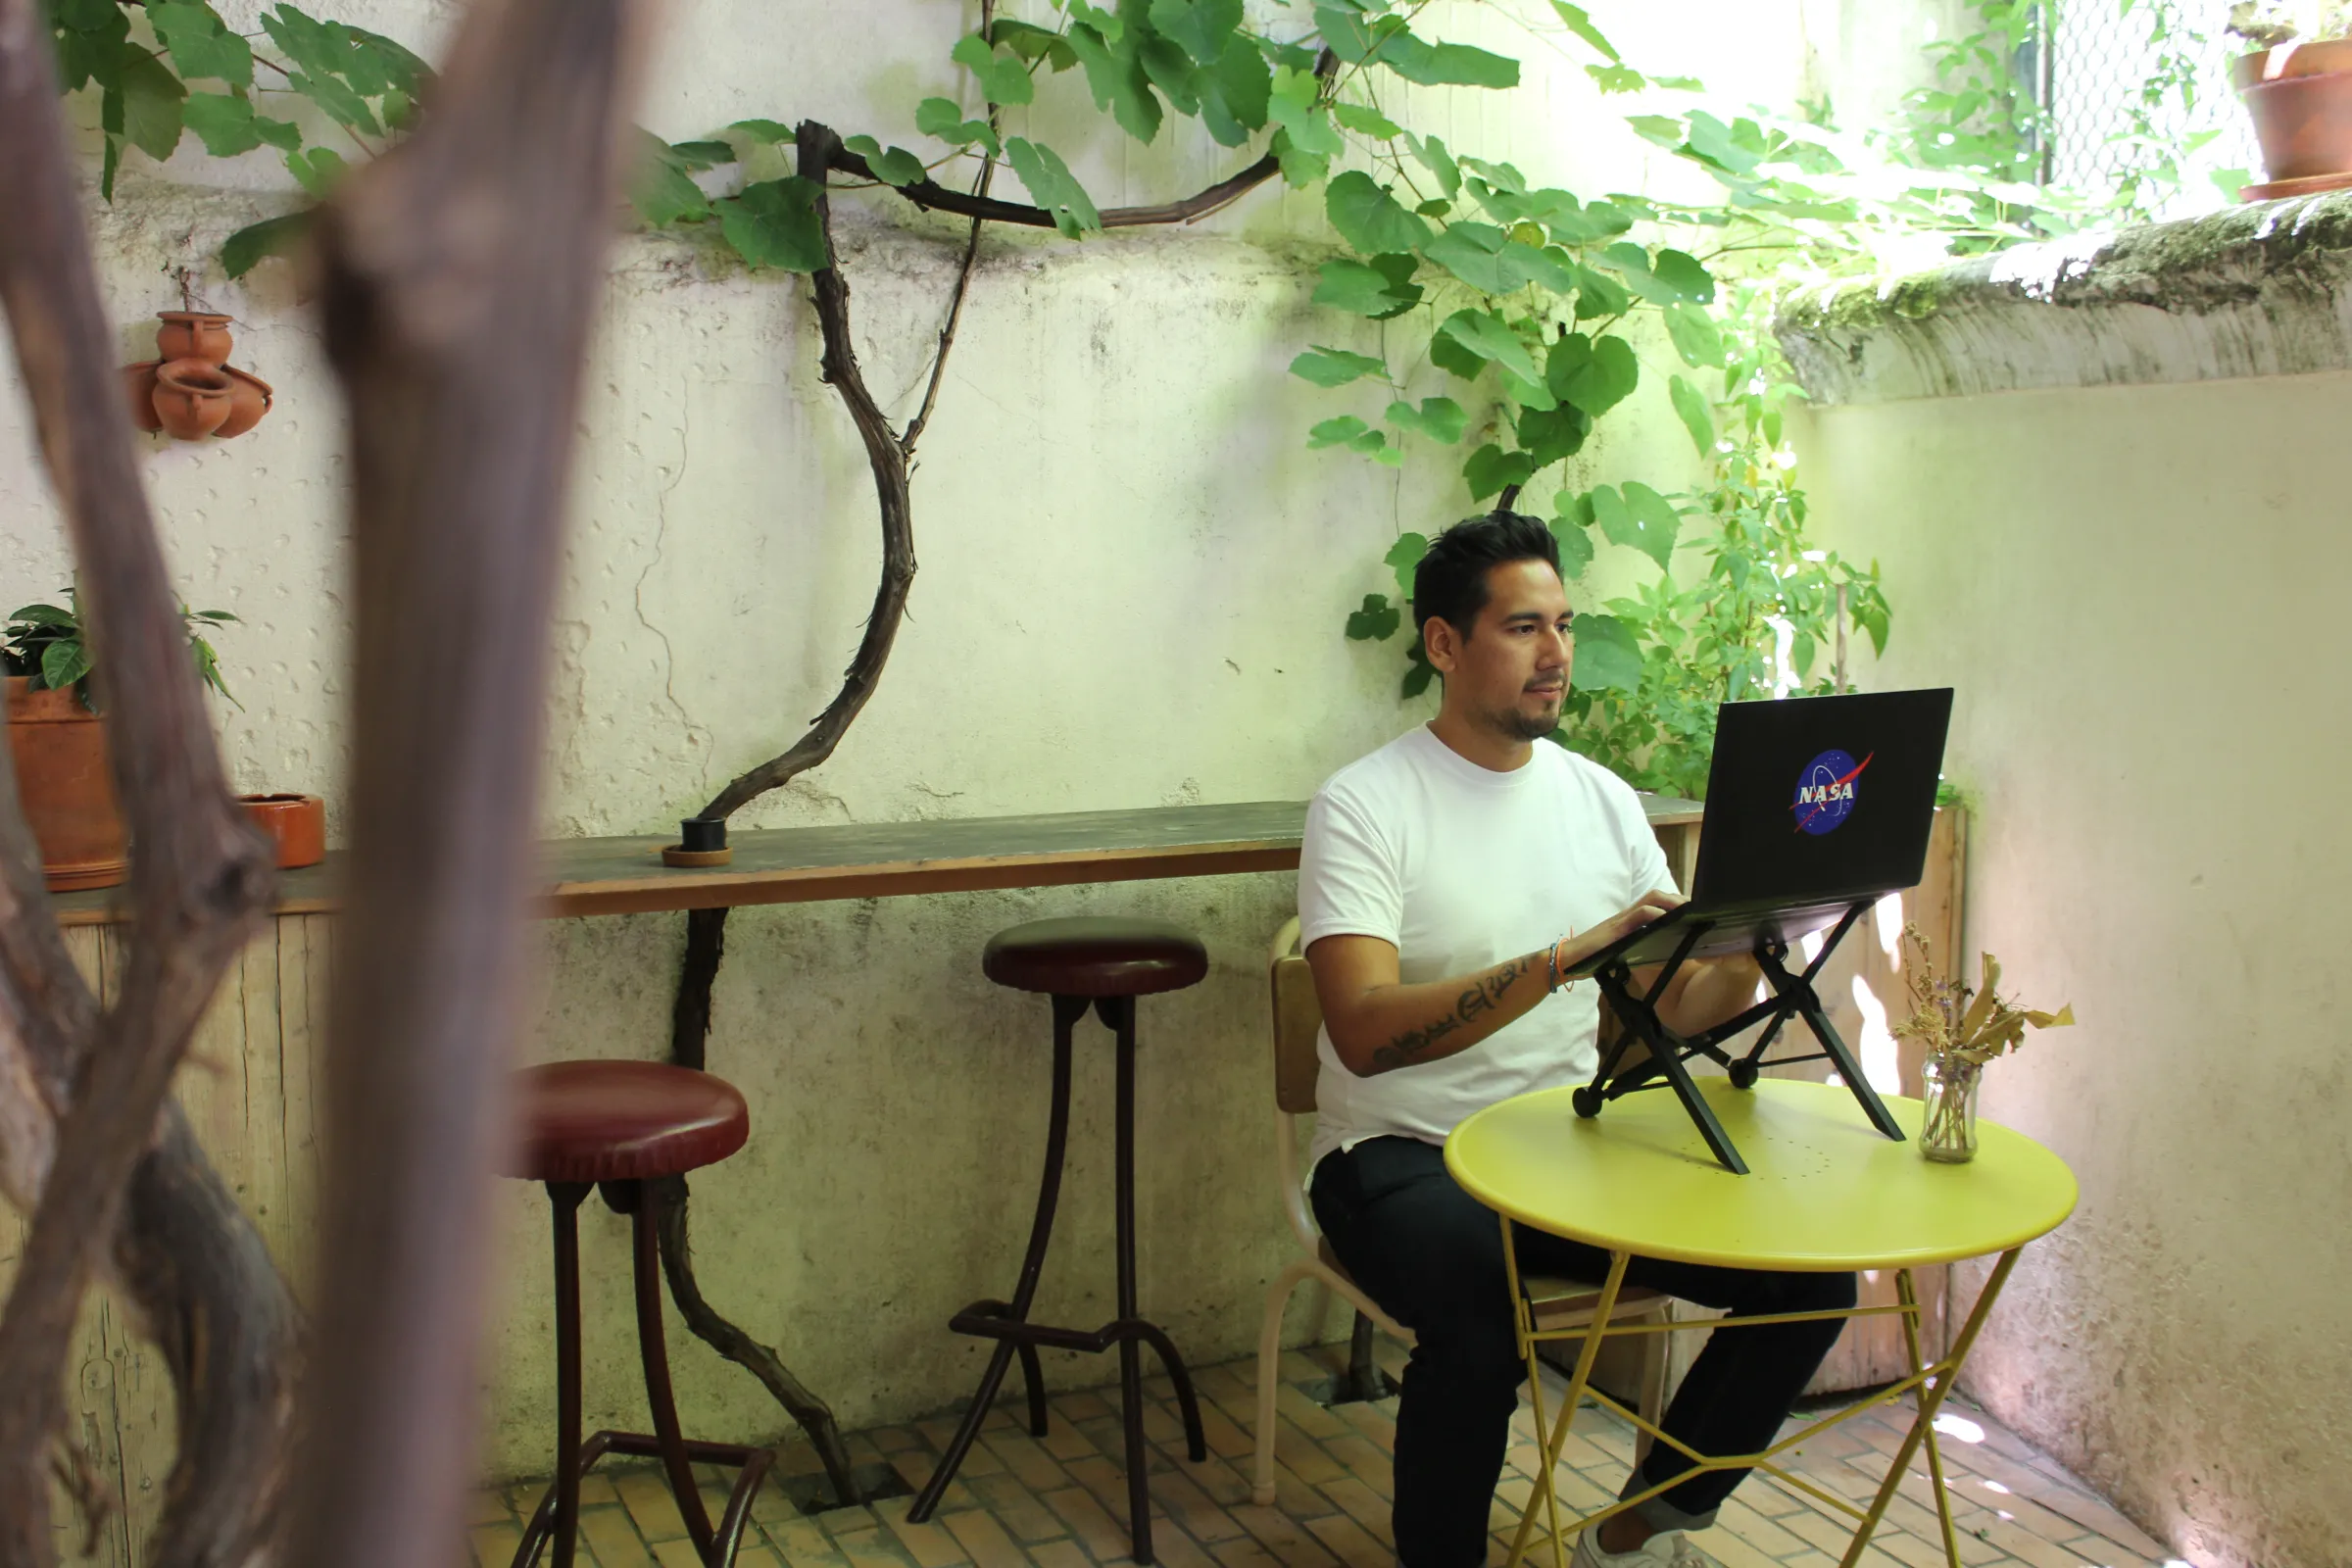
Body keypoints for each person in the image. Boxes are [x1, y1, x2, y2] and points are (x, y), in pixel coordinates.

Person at [1298, 511, 1855, 1568]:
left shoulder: (1601, 801)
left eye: (1563, 623)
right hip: (1399, 1157)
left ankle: (1650, 1515)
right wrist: (1562, 959)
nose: (1557, 655)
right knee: (1477, 1327)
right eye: (1522, 628)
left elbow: (1670, 1006)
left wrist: (1760, 937)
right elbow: (1364, 1033)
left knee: (1811, 1280)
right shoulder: (1366, 806)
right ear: (1444, 645)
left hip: (1560, 1154)